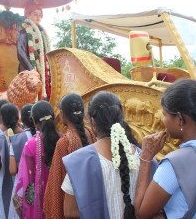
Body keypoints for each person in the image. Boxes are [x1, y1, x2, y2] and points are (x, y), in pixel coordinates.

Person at [134, 79, 196, 219]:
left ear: (180, 119)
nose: (163, 121)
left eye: (165, 115)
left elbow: (141, 212)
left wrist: (146, 157)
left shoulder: (175, 164)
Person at [61, 91, 156, 219]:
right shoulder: (145, 159)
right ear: (121, 118)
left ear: (93, 121)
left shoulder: (78, 162)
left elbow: (69, 212)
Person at [44, 93, 96, 219]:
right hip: (94, 202)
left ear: (62, 114)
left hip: (73, 207)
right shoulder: (92, 133)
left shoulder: (64, 143)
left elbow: (56, 184)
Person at [13, 100, 61, 219]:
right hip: (62, 201)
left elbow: (28, 183)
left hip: (41, 206)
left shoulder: (30, 145)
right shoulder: (64, 140)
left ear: (34, 121)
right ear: (54, 117)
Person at [0, 103, 23, 219]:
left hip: (4, 179)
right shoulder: (26, 136)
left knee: (4, 211)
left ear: (1, 118)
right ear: (17, 117)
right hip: (23, 181)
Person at [17, 0, 52, 100]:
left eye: (40, 15)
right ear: (27, 15)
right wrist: (32, 69)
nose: (38, 17)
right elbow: (20, 53)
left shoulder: (42, 33)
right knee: (29, 98)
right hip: (28, 71)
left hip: (42, 69)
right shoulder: (23, 32)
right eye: (35, 14)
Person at [8, 103, 36, 218]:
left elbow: (13, 170)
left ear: (22, 120)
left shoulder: (16, 140)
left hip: (22, 187)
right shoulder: (47, 137)